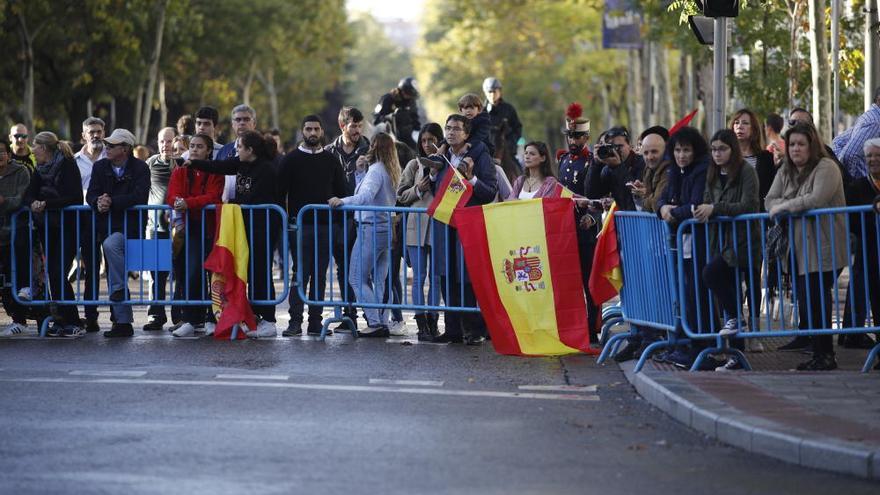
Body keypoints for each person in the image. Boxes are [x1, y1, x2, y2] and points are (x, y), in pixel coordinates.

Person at [766, 123, 848, 371]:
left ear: (812, 146)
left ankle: (826, 355)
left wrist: (784, 206)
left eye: (801, 144)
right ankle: (818, 353)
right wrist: (784, 205)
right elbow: (769, 200)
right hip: (799, 247)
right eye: (791, 144)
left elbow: (816, 199)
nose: (795, 149)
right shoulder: (785, 170)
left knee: (817, 298)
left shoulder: (827, 167)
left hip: (826, 244)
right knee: (808, 300)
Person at [188, 130, 280, 339]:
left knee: (260, 271)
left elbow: (257, 199)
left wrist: (233, 204)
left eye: (239, 147)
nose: (236, 151)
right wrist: (193, 163)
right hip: (244, 226)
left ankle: (268, 319)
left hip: (263, 227)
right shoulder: (241, 163)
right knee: (245, 270)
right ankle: (252, 316)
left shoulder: (266, 169)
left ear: (251, 150)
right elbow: (219, 167)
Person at [423, 114, 498, 344]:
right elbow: (438, 191)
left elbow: (489, 191)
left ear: (466, 133)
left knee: (467, 277)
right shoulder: (442, 156)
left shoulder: (480, 155)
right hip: (445, 224)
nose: (451, 132)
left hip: (468, 224)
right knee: (447, 275)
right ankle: (452, 329)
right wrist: (433, 174)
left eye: (456, 128)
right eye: (448, 128)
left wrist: (472, 178)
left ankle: (473, 330)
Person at [696, 129, 761, 371]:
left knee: (710, 274)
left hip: (743, 242)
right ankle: (736, 353)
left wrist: (715, 208)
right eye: (713, 150)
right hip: (719, 242)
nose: (717, 154)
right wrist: (703, 210)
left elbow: (748, 204)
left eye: (722, 149)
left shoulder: (746, 172)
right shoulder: (711, 174)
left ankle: (737, 320)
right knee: (727, 294)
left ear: (732, 149)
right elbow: (705, 198)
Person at [278, 115, 348, 337]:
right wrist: (286, 221)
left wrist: (337, 223)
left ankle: (315, 323)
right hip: (299, 228)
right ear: (302, 131)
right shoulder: (290, 160)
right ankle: (294, 322)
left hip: (326, 227)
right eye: (308, 129)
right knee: (299, 274)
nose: (312, 133)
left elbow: (343, 192)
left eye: (316, 129)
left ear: (321, 132)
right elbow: (279, 192)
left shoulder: (331, 160)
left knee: (319, 275)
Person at [328, 133, 400, 336]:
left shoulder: (377, 170)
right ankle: (381, 320)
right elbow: (373, 193)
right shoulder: (391, 170)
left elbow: (366, 196)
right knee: (379, 279)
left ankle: (375, 323)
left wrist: (342, 201)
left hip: (370, 228)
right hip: (384, 227)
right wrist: (360, 173)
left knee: (357, 278)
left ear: (375, 148)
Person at [85, 129, 151, 338]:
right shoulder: (100, 166)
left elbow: (139, 196)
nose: (107, 148)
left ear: (125, 148)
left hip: (130, 228)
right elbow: (92, 193)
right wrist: (98, 202)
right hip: (104, 226)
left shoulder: (140, 167)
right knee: (113, 262)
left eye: (112, 145)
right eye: (107, 145)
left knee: (112, 244)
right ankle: (122, 322)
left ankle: (122, 312)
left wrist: (112, 201)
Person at [655, 127, 711, 369]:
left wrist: (671, 212)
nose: (681, 155)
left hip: (698, 243)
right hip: (681, 243)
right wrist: (661, 209)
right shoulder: (675, 171)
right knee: (683, 296)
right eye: (677, 150)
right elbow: (664, 196)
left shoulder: (702, 169)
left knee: (696, 296)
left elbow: (695, 205)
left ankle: (699, 346)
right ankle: (683, 344)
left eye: (686, 150)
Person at [25, 132, 84, 337]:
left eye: (35, 146)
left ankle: (73, 321)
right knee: (53, 273)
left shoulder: (67, 164)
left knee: (59, 272)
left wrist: (47, 204)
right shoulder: (39, 168)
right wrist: (33, 201)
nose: (32, 149)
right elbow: (29, 192)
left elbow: (74, 196)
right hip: (48, 227)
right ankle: (61, 319)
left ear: (45, 148)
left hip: (67, 227)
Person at [167, 134, 225, 337]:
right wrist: (178, 202)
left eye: (199, 146)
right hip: (191, 228)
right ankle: (192, 319)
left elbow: (213, 196)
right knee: (191, 272)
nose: (194, 149)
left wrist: (188, 202)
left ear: (208, 150)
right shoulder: (180, 170)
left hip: (213, 228)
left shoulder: (216, 171)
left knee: (214, 274)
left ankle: (213, 317)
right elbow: (172, 194)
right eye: (192, 146)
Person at [557, 103, 602, 344]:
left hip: (586, 226)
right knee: (568, 279)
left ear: (586, 136)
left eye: (577, 136)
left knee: (588, 279)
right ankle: (572, 325)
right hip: (565, 227)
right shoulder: (563, 160)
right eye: (569, 135)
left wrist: (593, 217)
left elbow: (599, 194)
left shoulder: (594, 161)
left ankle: (593, 326)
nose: (572, 140)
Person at [324, 107, 370, 330]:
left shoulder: (370, 149)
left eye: (360, 126)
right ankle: (348, 314)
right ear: (343, 126)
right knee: (343, 266)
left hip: (363, 217)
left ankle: (373, 317)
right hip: (337, 219)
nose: (358, 130)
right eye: (353, 126)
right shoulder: (328, 152)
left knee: (364, 267)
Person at [397, 123, 444, 341]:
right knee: (419, 276)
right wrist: (418, 190)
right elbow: (400, 195)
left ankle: (434, 321)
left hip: (437, 224)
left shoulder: (447, 165)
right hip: (416, 226)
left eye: (432, 140)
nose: (427, 144)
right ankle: (421, 323)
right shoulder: (413, 165)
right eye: (424, 141)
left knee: (435, 277)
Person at [838, 138, 880, 349]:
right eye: (869, 156)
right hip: (869, 252)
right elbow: (851, 220)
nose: (873, 160)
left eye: (877, 155)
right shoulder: (857, 187)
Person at [73, 117, 107, 332]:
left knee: (114, 268)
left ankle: (118, 316)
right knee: (91, 268)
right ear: (83, 135)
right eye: (91, 132)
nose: (96, 135)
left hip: (109, 217)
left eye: (99, 131)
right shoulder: (75, 161)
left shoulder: (112, 157)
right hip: (84, 220)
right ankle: (91, 315)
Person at [143, 127, 178, 331]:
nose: (166, 145)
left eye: (169, 141)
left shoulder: (182, 163)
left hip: (179, 228)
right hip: (154, 227)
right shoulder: (150, 163)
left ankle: (180, 315)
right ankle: (155, 315)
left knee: (180, 272)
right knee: (156, 274)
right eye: (162, 141)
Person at [0, 137, 33, 337]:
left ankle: (19, 320)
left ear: (9, 154)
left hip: (14, 230)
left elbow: (23, 199)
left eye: (1, 152)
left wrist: (4, 201)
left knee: (13, 278)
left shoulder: (21, 171)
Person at [730, 109, 775, 208]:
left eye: (745, 123)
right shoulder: (727, 158)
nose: (739, 126)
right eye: (736, 123)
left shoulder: (766, 158)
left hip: (758, 216)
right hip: (732, 216)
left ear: (754, 130)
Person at [832, 86, 880, 179]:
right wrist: (852, 180)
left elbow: (837, 142)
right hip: (865, 189)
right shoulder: (875, 122)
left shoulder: (870, 117)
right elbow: (849, 155)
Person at [595, 126, 644, 211]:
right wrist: (595, 164)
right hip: (617, 221)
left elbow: (633, 195)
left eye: (619, 146)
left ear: (629, 145)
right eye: (612, 147)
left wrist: (618, 167)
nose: (616, 150)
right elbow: (593, 194)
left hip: (638, 219)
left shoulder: (642, 162)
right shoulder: (607, 168)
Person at [216, 104, 258, 201]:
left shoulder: (262, 149)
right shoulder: (223, 151)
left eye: (246, 119)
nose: (242, 123)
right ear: (232, 124)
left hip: (254, 208)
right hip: (227, 209)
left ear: (254, 123)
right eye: (238, 120)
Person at [373, 77, 421, 151]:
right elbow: (377, 118)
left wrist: (419, 133)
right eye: (409, 94)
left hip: (408, 137)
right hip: (390, 137)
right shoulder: (387, 99)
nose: (410, 97)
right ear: (403, 91)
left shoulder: (411, 101)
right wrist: (388, 117)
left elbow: (415, 119)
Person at [631, 127, 671, 213]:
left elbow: (657, 203)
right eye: (645, 153)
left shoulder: (670, 168)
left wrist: (645, 196)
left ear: (665, 149)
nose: (649, 157)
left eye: (654, 151)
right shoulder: (648, 168)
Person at [483, 77, 522, 162]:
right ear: (485, 93)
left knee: (519, 170)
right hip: (485, 151)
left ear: (500, 92)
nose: (492, 95)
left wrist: (511, 143)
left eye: (495, 91)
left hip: (507, 150)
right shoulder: (481, 111)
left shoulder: (509, 109)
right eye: (490, 92)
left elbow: (517, 128)